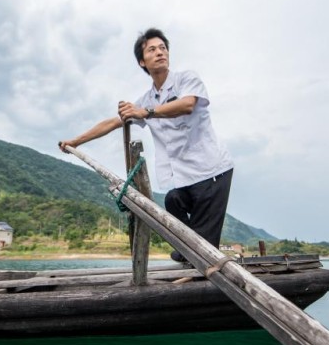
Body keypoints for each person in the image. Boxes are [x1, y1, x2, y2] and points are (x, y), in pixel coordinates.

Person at [59, 28, 234, 262]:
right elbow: (113, 123)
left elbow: (187, 105)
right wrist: (75, 142)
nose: (160, 52)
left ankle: (201, 260)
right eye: (152, 50)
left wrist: (146, 112)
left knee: (205, 248)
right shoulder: (147, 99)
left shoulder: (186, 80)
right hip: (185, 175)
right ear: (142, 62)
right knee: (173, 200)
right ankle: (190, 252)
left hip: (212, 170)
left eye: (163, 48)